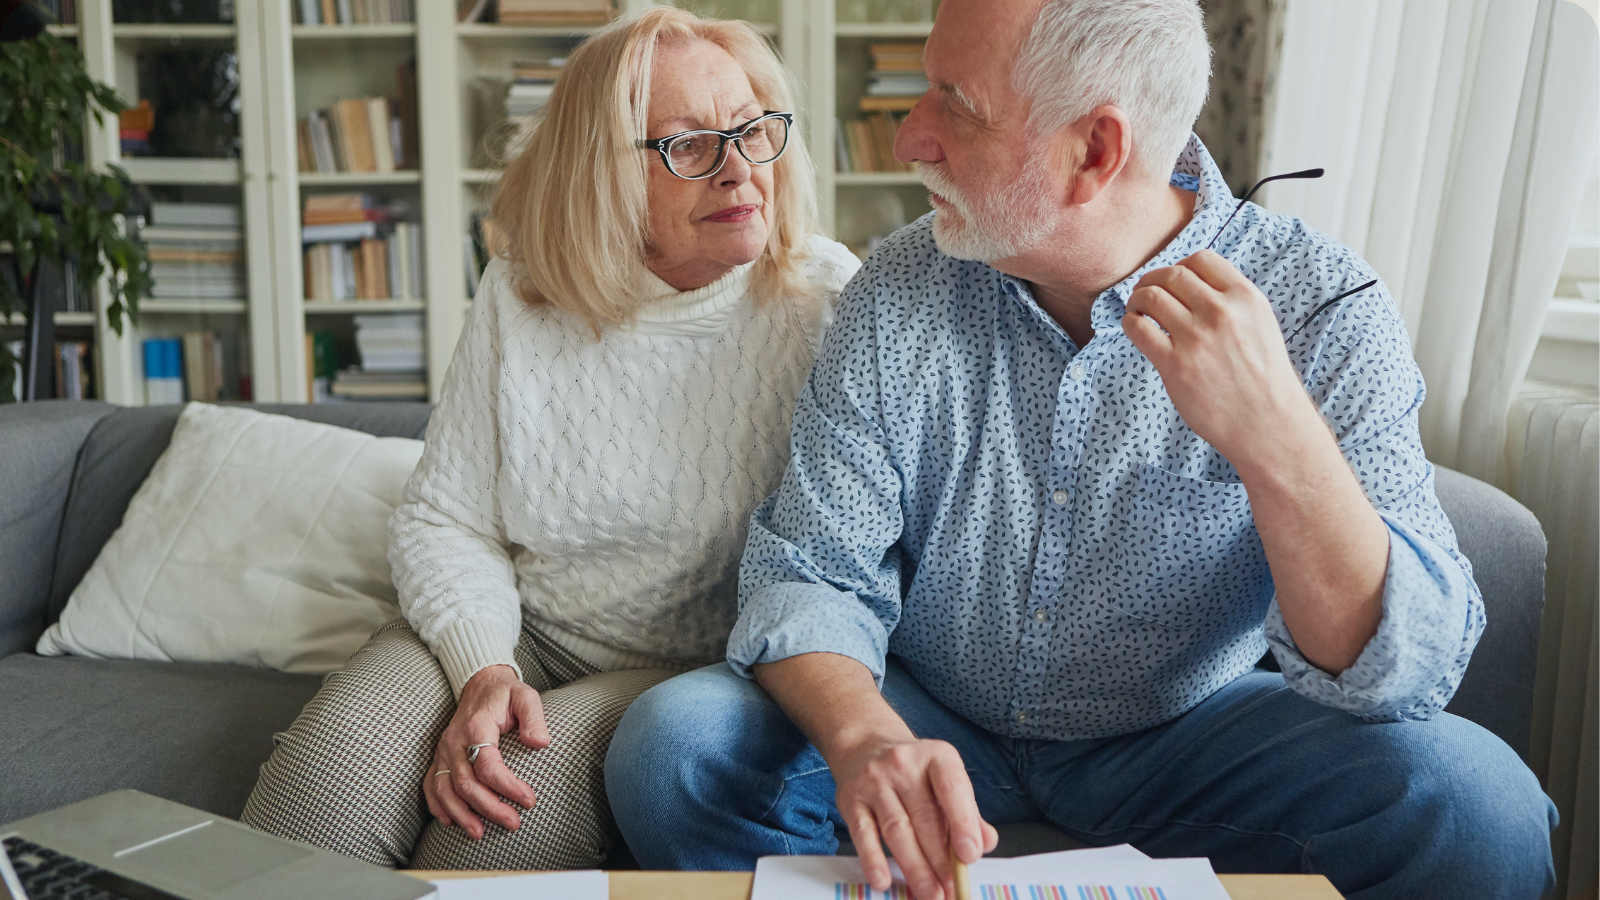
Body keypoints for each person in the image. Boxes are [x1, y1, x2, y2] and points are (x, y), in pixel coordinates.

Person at [604, 1, 1558, 898]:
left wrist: (1277, 439)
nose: (910, 139)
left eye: (955, 105)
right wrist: (864, 739)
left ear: (1095, 150)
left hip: (1193, 735)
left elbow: (1403, 672)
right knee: (676, 750)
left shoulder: (1323, 306)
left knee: (1481, 812)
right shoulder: (895, 291)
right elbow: (812, 574)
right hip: (931, 714)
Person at [240, 6, 859, 871]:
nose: (739, 169)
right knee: (320, 793)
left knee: (482, 834)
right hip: (523, 630)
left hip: (691, 673)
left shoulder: (828, 302)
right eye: (689, 145)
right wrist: (484, 669)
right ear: (603, 172)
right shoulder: (521, 291)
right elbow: (448, 519)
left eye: (753, 129)